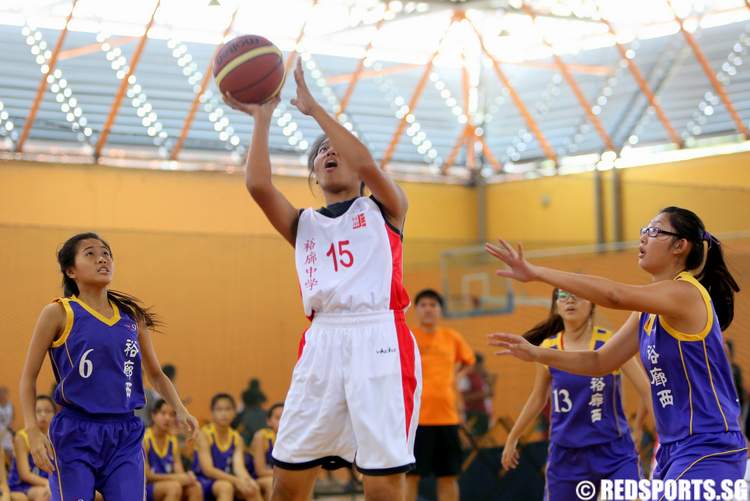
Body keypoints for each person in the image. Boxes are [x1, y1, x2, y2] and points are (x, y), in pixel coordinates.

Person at [222, 58, 420, 501]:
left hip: (379, 337)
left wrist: (315, 111)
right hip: (322, 340)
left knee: (382, 480)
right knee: (288, 476)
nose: (329, 152)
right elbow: (258, 186)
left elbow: (366, 162)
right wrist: (262, 118)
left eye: (337, 148)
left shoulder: (386, 208)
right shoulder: (303, 223)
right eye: (320, 152)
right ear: (314, 173)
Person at [487, 207, 745, 485]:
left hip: (708, 445)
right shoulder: (647, 311)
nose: (644, 238)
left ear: (680, 246)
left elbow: (614, 295)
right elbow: (600, 362)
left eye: (655, 231)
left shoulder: (686, 293)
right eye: (644, 230)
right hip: (673, 448)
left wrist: (536, 272)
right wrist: (537, 353)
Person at [18, 232, 199, 501]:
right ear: (71, 270)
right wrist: (32, 430)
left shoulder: (131, 317)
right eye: (90, 253)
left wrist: (180, 409)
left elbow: (156, 375)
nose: (102, 258)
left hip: (124, 433)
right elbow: (28, 378)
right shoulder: (58, 313)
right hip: (75, 432)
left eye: (106, 253)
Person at [500, 289, 653, 500]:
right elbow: (538, 398)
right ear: (556, 306)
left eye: (577, 295)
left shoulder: (611, 344)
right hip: (567, 454)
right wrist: (513, 436)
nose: (570, 300)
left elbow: (647, 389)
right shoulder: (548, 348)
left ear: (592, 304)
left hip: (613, 450)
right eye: (562, 296)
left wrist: (641, 429)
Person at [407, 289, 474, 501]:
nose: (428, 309)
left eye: (433, 305)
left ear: (440, 310)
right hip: (416, 420)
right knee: (411, 476)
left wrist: (456, 376)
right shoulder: (408, 337)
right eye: (423, 305)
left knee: (448, 476)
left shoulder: (452, 338)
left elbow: (469, 361)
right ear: (416, 309)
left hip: (447, 417)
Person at [192, 393, 260, 501]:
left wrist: (247, 480)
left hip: (226, 479)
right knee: (226, 487)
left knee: (252, 488)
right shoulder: (204, 434)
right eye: (219, 409)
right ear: (212, 413)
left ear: (234, 412)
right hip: (203, 480)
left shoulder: (237, 438)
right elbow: (208, 470)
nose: (224, 413)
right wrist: (236, 481)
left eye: (228, 409)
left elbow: (239, 468)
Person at [144, 399, 202, 501]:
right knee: (174, 487)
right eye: (163, 413)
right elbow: (147, 476)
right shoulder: (144, 439)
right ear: (153, 415)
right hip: (146, 487)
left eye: (171, 415)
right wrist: (176, 478)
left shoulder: (172, 440)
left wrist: (187, 477)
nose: (167, 418)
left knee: (195, 487)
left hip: (168, 483)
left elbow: (178, 469)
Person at [7, 396, 56, 500]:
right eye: (38, 411)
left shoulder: (56, 437)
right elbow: (25, 474)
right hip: (23, 484)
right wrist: (48, 483)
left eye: (47, 411)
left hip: (50, 482)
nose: (43, 414)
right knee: (44, 495)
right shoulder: (21, 437)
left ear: (55, 414)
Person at [248, 403, 283, 501]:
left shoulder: (292, 439)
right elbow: (260, 471)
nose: (282, 421)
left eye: (285, 417)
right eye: (278, 418)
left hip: (279, 477)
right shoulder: (261, 436)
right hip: (254, 479)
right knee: (271, 483)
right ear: (269, 421)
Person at [459, 353, 494, 437]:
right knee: (475, 439)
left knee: (483, 438)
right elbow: (464, 398)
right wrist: (482, 395)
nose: (482, 367)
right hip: (473, 414)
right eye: (480, 365)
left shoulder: (481, 377)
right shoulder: (465, 378)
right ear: (475, 364)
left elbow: (489, 395)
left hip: (483, 413)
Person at [0, 387, 13, 458]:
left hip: (7, 431)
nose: (3, 396)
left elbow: (12, 417)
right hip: (1, 430)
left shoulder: (10, 405)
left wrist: (10, 427)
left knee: (9, 453)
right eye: (1, 394)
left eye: (4, 394)